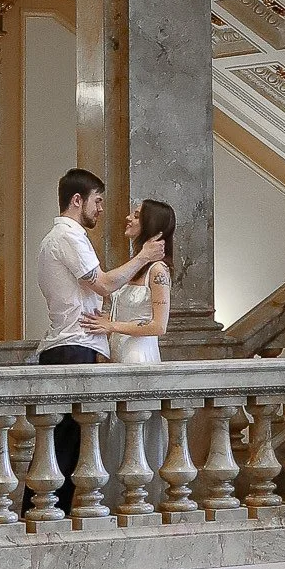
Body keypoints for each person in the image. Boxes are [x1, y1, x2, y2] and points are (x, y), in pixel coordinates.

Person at [31, 168, 166, 516]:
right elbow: (104, 285)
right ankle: (47, 515)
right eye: (98, 201)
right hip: (73, 347)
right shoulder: (70, 238)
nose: (103, 209)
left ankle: (49, 513)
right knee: (67, 445)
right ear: (78, 200)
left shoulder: (59, 238)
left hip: (76, 345)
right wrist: (144, 256)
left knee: (71, 444)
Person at [83, 200, 176, 486]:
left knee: (135, 432)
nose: (128, 218)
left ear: (151, 225)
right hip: (118, 354)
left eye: (136, 215)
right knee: (115, 432)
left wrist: (112, 326)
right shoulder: (134, 265)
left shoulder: (158, 270)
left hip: (139, 357)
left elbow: (159, 326)